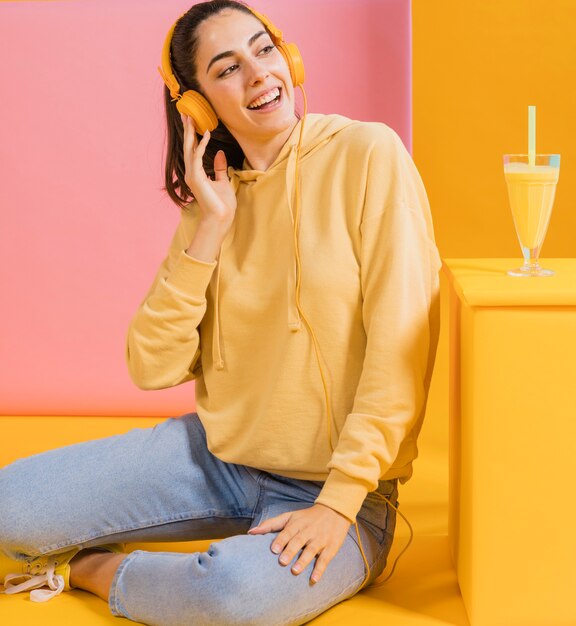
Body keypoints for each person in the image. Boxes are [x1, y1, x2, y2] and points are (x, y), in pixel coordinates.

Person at [0, 1, 442, 624]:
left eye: (264, 50)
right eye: (227, 67)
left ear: (287, 57)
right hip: (219, 461)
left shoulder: (367, 154)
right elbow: (152, 367)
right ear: (197, 106)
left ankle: (88, 569)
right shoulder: (214, 201)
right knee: (9, 508)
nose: (260, 74)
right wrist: (208, 228)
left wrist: (339, 502)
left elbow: (402, 343)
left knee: (229, 598)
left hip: (344, 492)